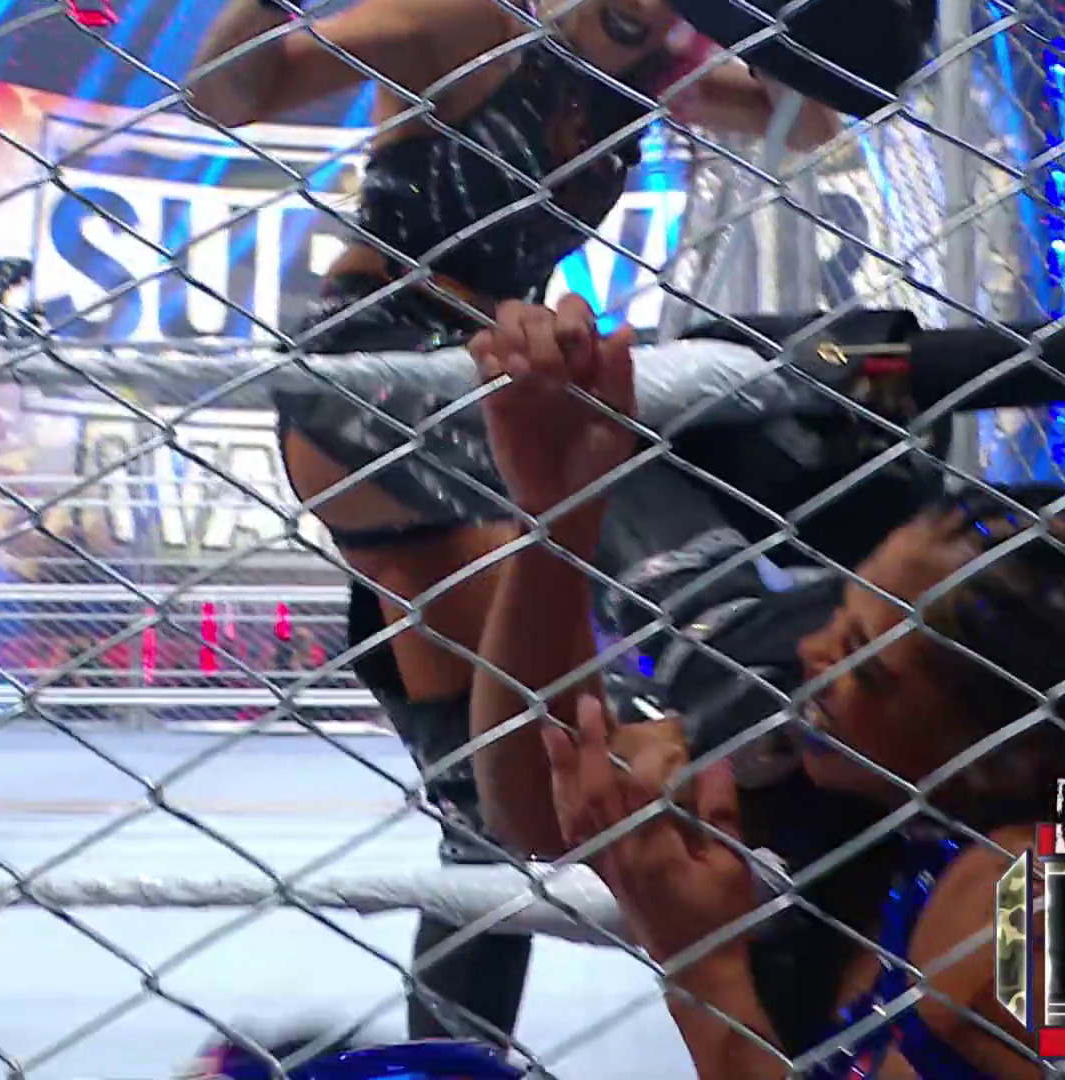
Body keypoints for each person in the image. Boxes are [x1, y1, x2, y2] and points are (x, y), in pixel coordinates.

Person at [187, 0, 844, 1047]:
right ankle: (727, 638)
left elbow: (810, 120)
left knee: (486, 801)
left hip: (483, 379)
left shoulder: (659, 70)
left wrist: (738, 38)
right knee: (595, 446)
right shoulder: (472, 25)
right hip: (381, 368)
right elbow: (229, 93)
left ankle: (449, 1063)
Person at [462, 297, 1065, 1077]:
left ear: (999, 760)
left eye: (861, 661)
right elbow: (537, 801)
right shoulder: (854, 772)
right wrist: (557, 517)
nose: (813, 651)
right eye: (841, 614)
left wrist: (704, 970)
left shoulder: (1052, 929)